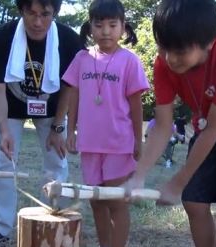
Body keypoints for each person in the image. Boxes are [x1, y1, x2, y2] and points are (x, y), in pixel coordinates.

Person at [126, 0, 216, 246]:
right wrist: (138, 175)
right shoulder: (163, 63)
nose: (170, 58)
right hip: (206, 129)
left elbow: (214, 130)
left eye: (180, 51)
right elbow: (162, 126)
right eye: (163, 47)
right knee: (193, 202)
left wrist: (177, 182)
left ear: (210, 42)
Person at [0, 0, 83, 246]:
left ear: (55, 13)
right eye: (31, 13)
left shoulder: (69, 40)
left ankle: (51, 218)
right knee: (4, 162)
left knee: (57, 161)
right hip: (11, 108)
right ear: (21, 11)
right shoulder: (0, 38)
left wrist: (58, 127)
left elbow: (70, 86)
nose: (37, 22)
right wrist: (4, 130)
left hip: (53, 107)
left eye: (45, 14)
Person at [62, 0, 149, 246]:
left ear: (123, 28)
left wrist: (138, 139)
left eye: (113, 25)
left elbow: (135, 104)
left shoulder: (129, 61)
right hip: (90, 144)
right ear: (90, 27)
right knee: (96, 201)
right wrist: (70, 131)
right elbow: (73, 95)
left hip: (119, 144)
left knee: (115, 202)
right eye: (99, 25)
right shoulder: (81, 58)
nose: (106, 31)